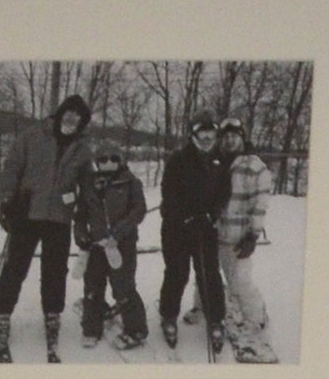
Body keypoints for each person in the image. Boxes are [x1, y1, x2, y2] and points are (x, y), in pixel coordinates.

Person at [0, 91, 93, 363]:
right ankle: (2, 313)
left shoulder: (82, 148)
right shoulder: (33, 136)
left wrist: (85, 206)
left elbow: (87, 183)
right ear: (60, 114)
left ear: (82, 123)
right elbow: (12, 167)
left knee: (55, 271)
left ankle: (52, 315)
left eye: (77, 118)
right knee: (16, 267)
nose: (71, 121)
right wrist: (8, 200)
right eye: (68, 115)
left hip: (59, 217)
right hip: (27, 213)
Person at [157, 121, 229, 357]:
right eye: (202, 134)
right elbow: (168, 193)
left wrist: (211, 215)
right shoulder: (179, 159)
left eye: (211, 134)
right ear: (194, 135)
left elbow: (224, 193)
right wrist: (185, 217)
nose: (207, 139)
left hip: (205, 226)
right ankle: (168, 316)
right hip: (177, 227)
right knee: (177, 272)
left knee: (209, 273)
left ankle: (216, 319)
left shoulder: (219, 161)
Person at [73, 141, 148, 351]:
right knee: (93, 286)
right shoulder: (89, 184)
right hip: (97, 245)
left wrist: (118, 233)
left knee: (123, 286)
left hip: (121, 244)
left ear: (120, 160)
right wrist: (81, 235)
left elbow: (138, 211)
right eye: (104, 159)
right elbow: (80, 215)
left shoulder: (131, 182)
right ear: (98, 162)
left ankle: (136, 329)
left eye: (114, 159)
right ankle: (91, 327)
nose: (109, 163)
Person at [215, 118, 278, 363]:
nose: (230, 140)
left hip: (240, 237)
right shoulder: (217, 163)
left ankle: (256, 320)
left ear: (242, 137)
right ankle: (208, 308)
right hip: (218, 234)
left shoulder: (254, 165)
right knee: (217, 276)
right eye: (226, 136)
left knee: (241, 280)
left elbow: (260, 203)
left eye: (235, 135)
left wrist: (253, 234)